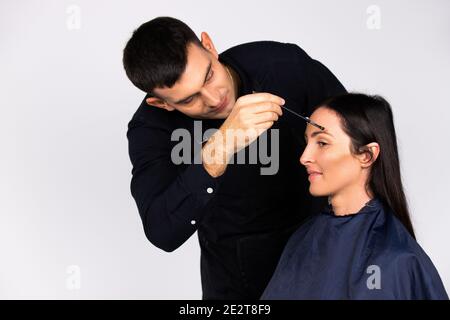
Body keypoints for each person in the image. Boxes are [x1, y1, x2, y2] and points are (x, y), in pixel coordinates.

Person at [122, 16, 346, 299]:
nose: (215, 99)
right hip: (237, 281)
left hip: (323, 251)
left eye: (209, 75)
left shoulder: (280, 65)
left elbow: (357, 137)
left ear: (209, 46)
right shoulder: (150, 129)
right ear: (162, 103)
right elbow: (162, 231)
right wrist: (219, 148)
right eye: (190, 99)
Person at [261, 93, 449, 299]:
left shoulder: (395, 259)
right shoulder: (303, 238)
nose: (304, 157)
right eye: (307, 142)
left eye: (322, 143)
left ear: (367, 155)